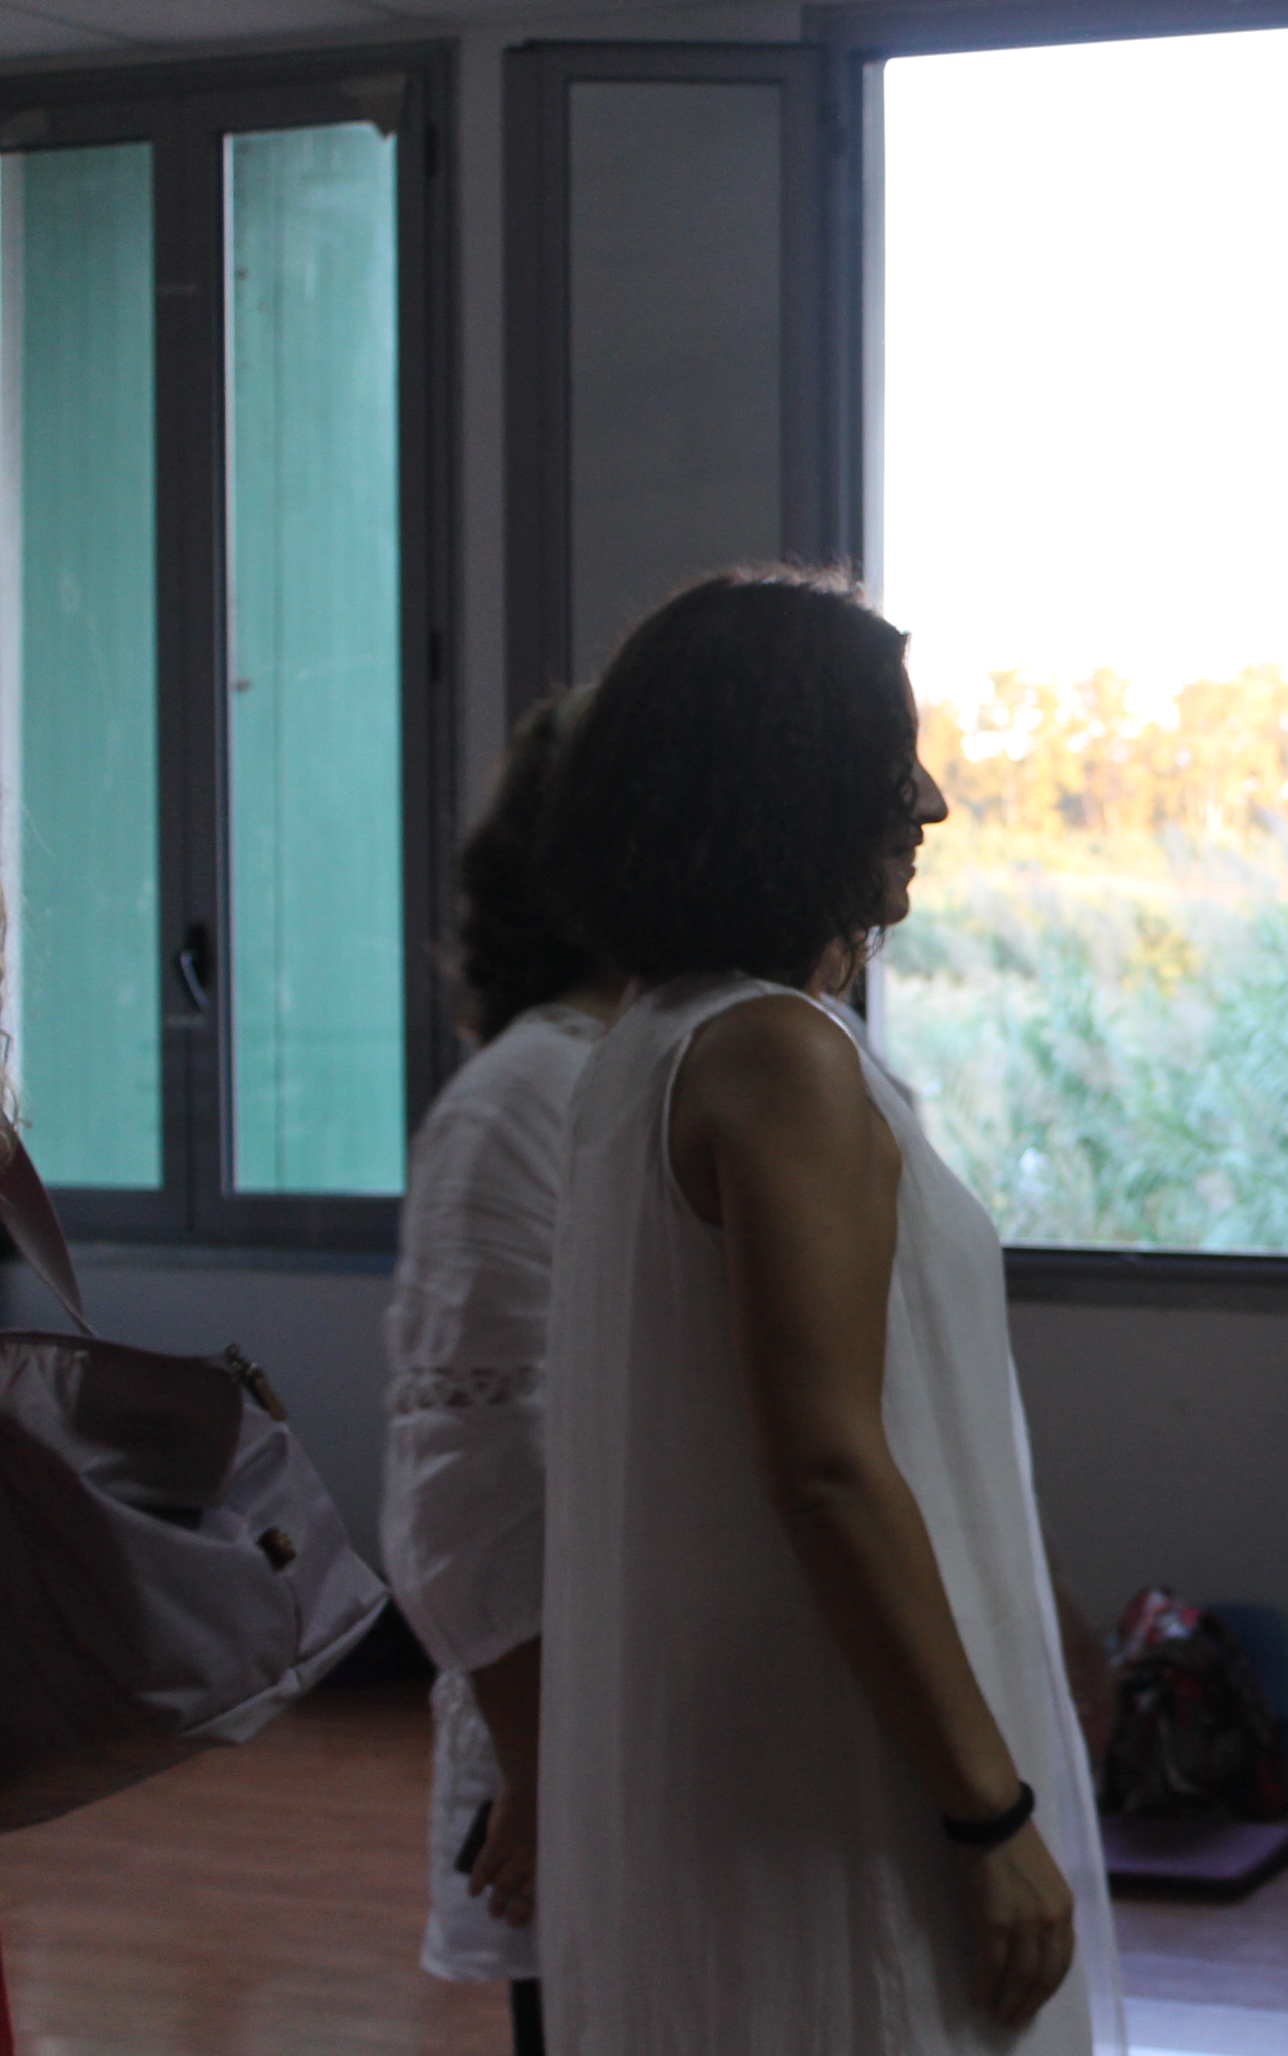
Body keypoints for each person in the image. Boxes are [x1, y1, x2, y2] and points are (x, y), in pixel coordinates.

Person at [534, 571, 1122, 2055]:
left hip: (755, 1726)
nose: (928, 800)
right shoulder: (774, 1055)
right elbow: (826, 1463)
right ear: (784, 782)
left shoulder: (650, 1040)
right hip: (840, 1749)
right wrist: (988, 1811)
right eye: (889, 758)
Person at [376, 691, 619, 2055]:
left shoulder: (685, 1056)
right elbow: (466, 1483)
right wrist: (541, 1762)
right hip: (579, 1735)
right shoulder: (522, 1095)